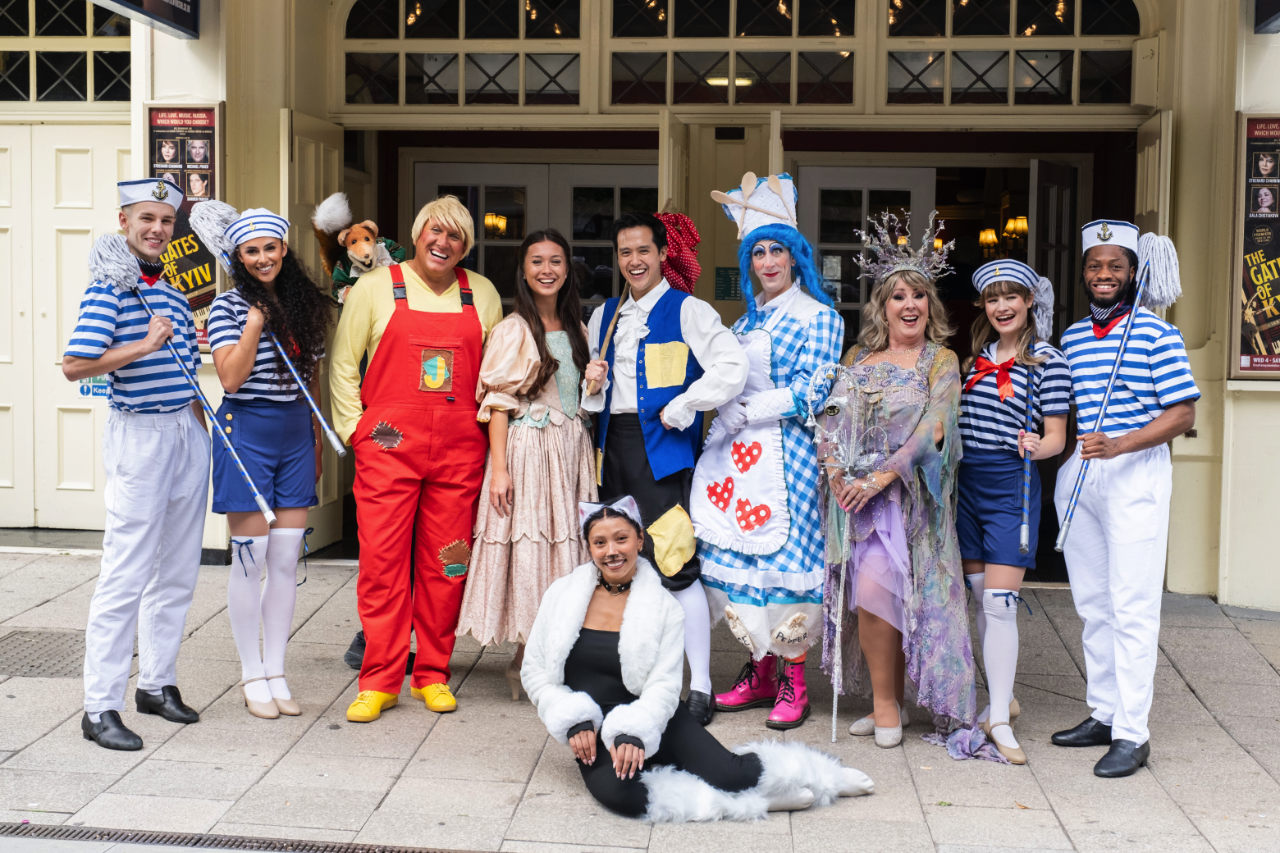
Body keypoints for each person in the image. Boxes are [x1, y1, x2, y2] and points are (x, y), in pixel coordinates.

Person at [521, 498, 874, 820]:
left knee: (731, 774)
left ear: (640, 540)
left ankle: (823, 776)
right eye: (600, 542)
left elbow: (665, 685)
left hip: (652, 715)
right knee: (622, 797)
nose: (611, 551)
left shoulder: (663, 606)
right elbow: (535, 672)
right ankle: (753, 803)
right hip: (594, 727)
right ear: (589, 548)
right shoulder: (562, 596)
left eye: (621, 539)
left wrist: (636, 729)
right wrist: (573, 721)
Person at [330, 195, 502, 722]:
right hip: (387, 449)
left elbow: (495, 378)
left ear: (465, 246)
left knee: (448, 564)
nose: (442, 242)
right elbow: (343, 365)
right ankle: (379, 680)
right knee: (382, 564)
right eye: (435, 230)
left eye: (455, 236)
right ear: (418, 231)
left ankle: (432, 673)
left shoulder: (483, 293)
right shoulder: (374, 287)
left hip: (459, 451)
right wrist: (356, 431)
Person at [817, 213, 982, 752]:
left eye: (918, 296)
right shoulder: (857, 359)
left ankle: (901, 701)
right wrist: (840, 475)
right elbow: (833, 421)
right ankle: (886, 703)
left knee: (901, 596)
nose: (908, 305)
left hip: (912, 502)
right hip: (859, 504)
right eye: (898, 297)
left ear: (930, 306)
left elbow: (938, 424)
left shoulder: (941, 360)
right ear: (882, 307)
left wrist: (885, 475)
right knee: (869, 596)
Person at [581, 212, 748, 726]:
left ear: (661, 255)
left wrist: (687, 406)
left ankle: (699, 686)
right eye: (625, 253)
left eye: (643, 251)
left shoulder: (689, 310)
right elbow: (599, 398)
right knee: (621, 566)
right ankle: (641, 678)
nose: (634, 261)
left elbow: (731, 366)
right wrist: (592, 387)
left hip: (663, 453)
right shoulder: (603, 315)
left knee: (676, 567)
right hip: (614, 451)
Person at [691, 173, 843, 730]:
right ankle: (758, 669)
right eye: (758, 251)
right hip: (738, 456)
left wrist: (747, 410)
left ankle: (794, 683)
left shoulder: (819, 316)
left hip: (788, 455)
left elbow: (816, 387)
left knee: (785, 566)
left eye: (778, 249)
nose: (768, 260)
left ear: (797, 254)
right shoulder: (747, 316)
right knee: (741, 565)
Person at [62, 177, 209, 750]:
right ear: (124, 221)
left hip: (184, 432)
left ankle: (157, 682)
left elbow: (183, 368)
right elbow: (76, 365)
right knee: (126, 572)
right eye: (146, 218)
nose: (156, 229)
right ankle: (99, 707)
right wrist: (143, 345)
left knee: (177, 569)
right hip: (140, 435)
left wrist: (201, 429)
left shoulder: (169, 290)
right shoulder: (108, 289)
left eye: (166, 221)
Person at [1052, 219, 1198, 778]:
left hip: (1134, 473)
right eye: (1096, 265)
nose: (1104, 274)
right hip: (1084, 475)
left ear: (1133, 272)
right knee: (1093, 605)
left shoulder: (1158, 335)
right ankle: (1105, 713)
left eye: (1115, 265)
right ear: (1085, 272)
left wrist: (1121, 443)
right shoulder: (1069, 336)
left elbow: (1183, 413)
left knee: (1132, 606)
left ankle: (1133, 734)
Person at [456, 228, 596, 694]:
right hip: (530, 451)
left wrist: (595, 379)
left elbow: (578, 395)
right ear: (524, 270)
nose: (547, 270)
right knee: (532, 547)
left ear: (568, 268)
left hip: (570, 450)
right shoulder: (513, 329)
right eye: (537, 261)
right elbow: (497, 403)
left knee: (566, 550)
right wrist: (499, 470)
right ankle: (523, 657)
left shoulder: (578, 327)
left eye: (556, 261)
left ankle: (555, 652)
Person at [206, 208, 331, 719]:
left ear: (284, 250)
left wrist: (318, 439)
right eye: (251, 251)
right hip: (247, 434)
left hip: (296, 434)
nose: (263, 258)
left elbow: (313, 379)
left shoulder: (304, 306)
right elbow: (231, 379)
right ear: (238, 258)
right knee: (250, 559)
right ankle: (251, 671)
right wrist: (254, 323)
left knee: (285, 561)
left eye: (270, 248)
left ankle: (277, 670)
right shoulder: (227, 307)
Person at [956, 259, 1070, 764]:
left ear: (1029, 303)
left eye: (1012, 297)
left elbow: (1056, 440)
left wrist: (1035, 445)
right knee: (981, 598)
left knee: (1001, 604)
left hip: (1012, 486)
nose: (1002, 306)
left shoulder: (1049, 361)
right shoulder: (973, 361)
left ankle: (998, 716)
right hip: (967, 487)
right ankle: (1002, 695)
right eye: (993, 298)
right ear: (984, 305)